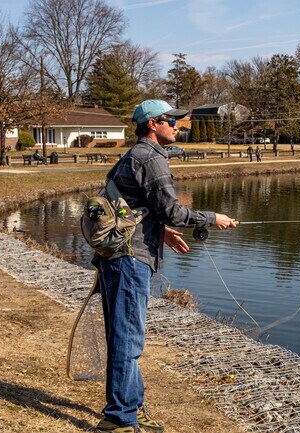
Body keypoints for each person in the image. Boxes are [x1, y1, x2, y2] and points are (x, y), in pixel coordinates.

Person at [92, 99, 238, 433]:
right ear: (153, 124)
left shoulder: (133, 156)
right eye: (170, 120)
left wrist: (164, 231)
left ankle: (132, 408)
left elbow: (128, 208)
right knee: (127, 339)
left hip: (118, 258)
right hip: (129, 260)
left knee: (122, 336)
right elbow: (170, 209)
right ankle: (118, 419)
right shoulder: (150, 158)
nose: (176, 125)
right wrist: (212, 218)